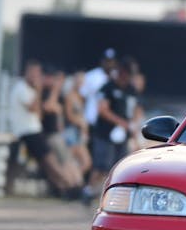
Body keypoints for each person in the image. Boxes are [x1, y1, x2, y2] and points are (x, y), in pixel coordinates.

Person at [8, 60, 80, 197]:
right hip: (29, 131)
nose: (36, 77)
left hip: (33, 130)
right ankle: (70, 186)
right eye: (34, 73)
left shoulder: (29, 89)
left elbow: (39, 113)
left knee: (49, 163)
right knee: (51, 162)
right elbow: (34, 109)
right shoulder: (22, 88)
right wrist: (39, 90)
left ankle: (66, 188)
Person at [85, 58, 138, 201]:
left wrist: (133, 125)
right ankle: (89, 191)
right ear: (122, 73)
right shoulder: (107, 87)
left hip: (123, 135)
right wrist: (121, 122)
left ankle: (115, 196)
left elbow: (135, 108)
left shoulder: (131, 89)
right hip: (105, 133)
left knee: (121, 166)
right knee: (101, 165)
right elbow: (102, 109)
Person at [40, 66, 84, 191]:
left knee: (68, 161)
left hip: (59, 134)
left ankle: (76, 185)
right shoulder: (47, 93)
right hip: (51, 134)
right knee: (64, 162)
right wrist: (55, 90)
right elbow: (48, 106)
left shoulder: (60, 96)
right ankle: (72, 186)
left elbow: (59, 114)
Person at [64, 71, 92, 177]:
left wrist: (84, 128)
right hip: (71, 132)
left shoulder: (81, 97)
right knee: (72, 162)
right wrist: (80, 123)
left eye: (82, 81)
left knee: (85, 162)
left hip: (79, 133)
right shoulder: (69, 96)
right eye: (79, 81)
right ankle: (71, 183)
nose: (81, 83)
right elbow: (69, 116)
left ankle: (73, 183)